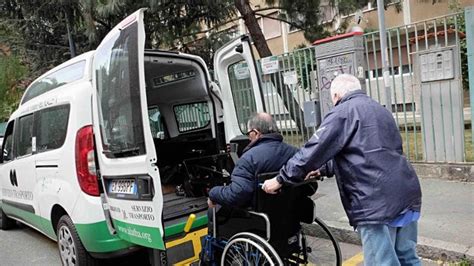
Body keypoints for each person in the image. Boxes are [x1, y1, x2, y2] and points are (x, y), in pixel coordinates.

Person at [262, 74, 422, 266]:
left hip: (375, 201)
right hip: (406, 191)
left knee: (382, 262)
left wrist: (280, 179)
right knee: (407, 258)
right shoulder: (381, 110)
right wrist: (322, 170)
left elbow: (313, 150)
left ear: (337, 95)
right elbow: (365, 151)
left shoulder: (342, 112)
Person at [207, 112, 298, 208]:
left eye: (248, 133)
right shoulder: (296, 153)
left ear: (256, 133)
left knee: (213, 211)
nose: (248, 137)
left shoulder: (248, 159)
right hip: (291, 214)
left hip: (257, 218)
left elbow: (236, 196)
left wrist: (213, 193)